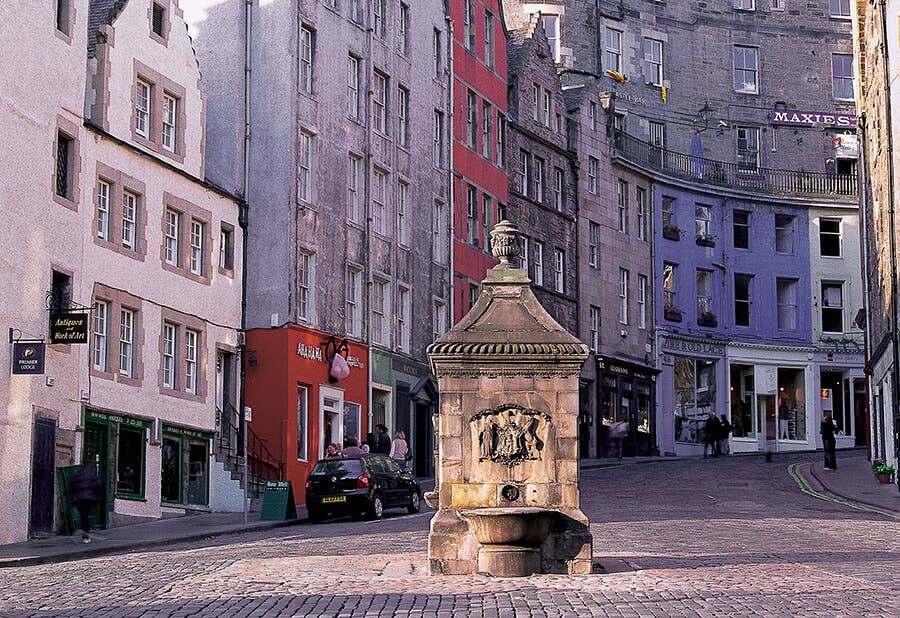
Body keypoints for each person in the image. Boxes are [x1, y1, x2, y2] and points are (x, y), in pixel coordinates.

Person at [69, 461, 102, 544]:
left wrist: (73, 497)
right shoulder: (93, 475)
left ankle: (84, 530)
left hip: (80, 499)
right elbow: (98, 485)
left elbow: (73, 484)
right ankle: (85, 533)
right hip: (89, 499)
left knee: (84, 516)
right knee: (85, 516)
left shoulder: (80, 473)